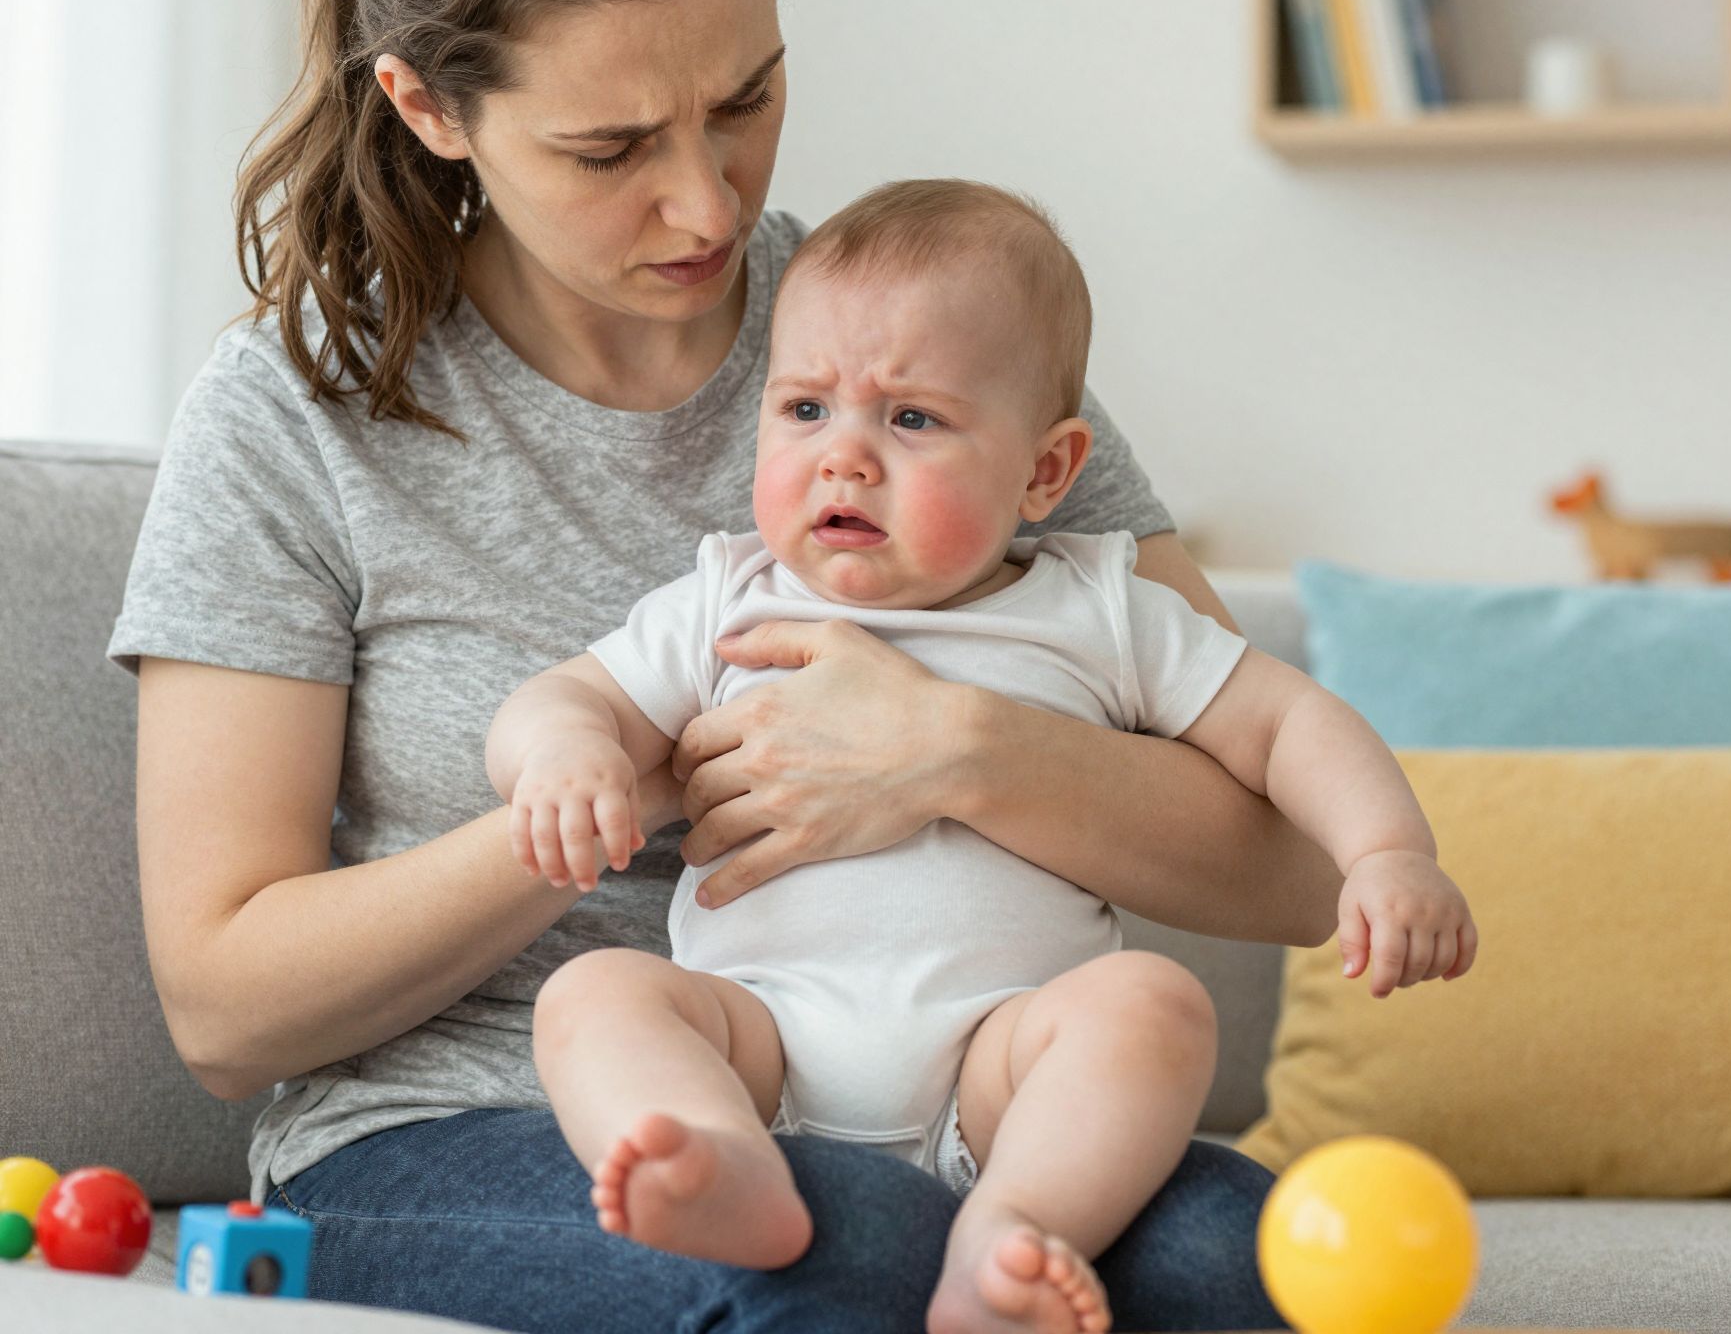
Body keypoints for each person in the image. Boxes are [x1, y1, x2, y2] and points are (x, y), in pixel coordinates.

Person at [108, 0, 1350, 1331]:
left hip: (966, 1110)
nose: (707, 203)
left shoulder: (929, 348)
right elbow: (225, 1005)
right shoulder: (299, 414)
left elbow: (1295, 864)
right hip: (463, 1128)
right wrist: (617, 793)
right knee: (846, 1251)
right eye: (611, 147)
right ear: (430, 107)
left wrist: (953, 751)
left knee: (1269, 1267)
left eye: (747, 98)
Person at [489, 178, 1481, 1334]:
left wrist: (1385, 850)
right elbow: (561, 698)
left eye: (911, 419)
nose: (844, 459)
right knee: (595, 995)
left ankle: (1014, 1234)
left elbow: (1285, 722)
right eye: (804, 409)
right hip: (755, 1041)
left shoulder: (1101, 610)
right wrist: (564, 753)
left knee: (1152, 1007)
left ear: (1045, 473)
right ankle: (714, 1170)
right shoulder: (725, 594)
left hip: (1001, 1069)